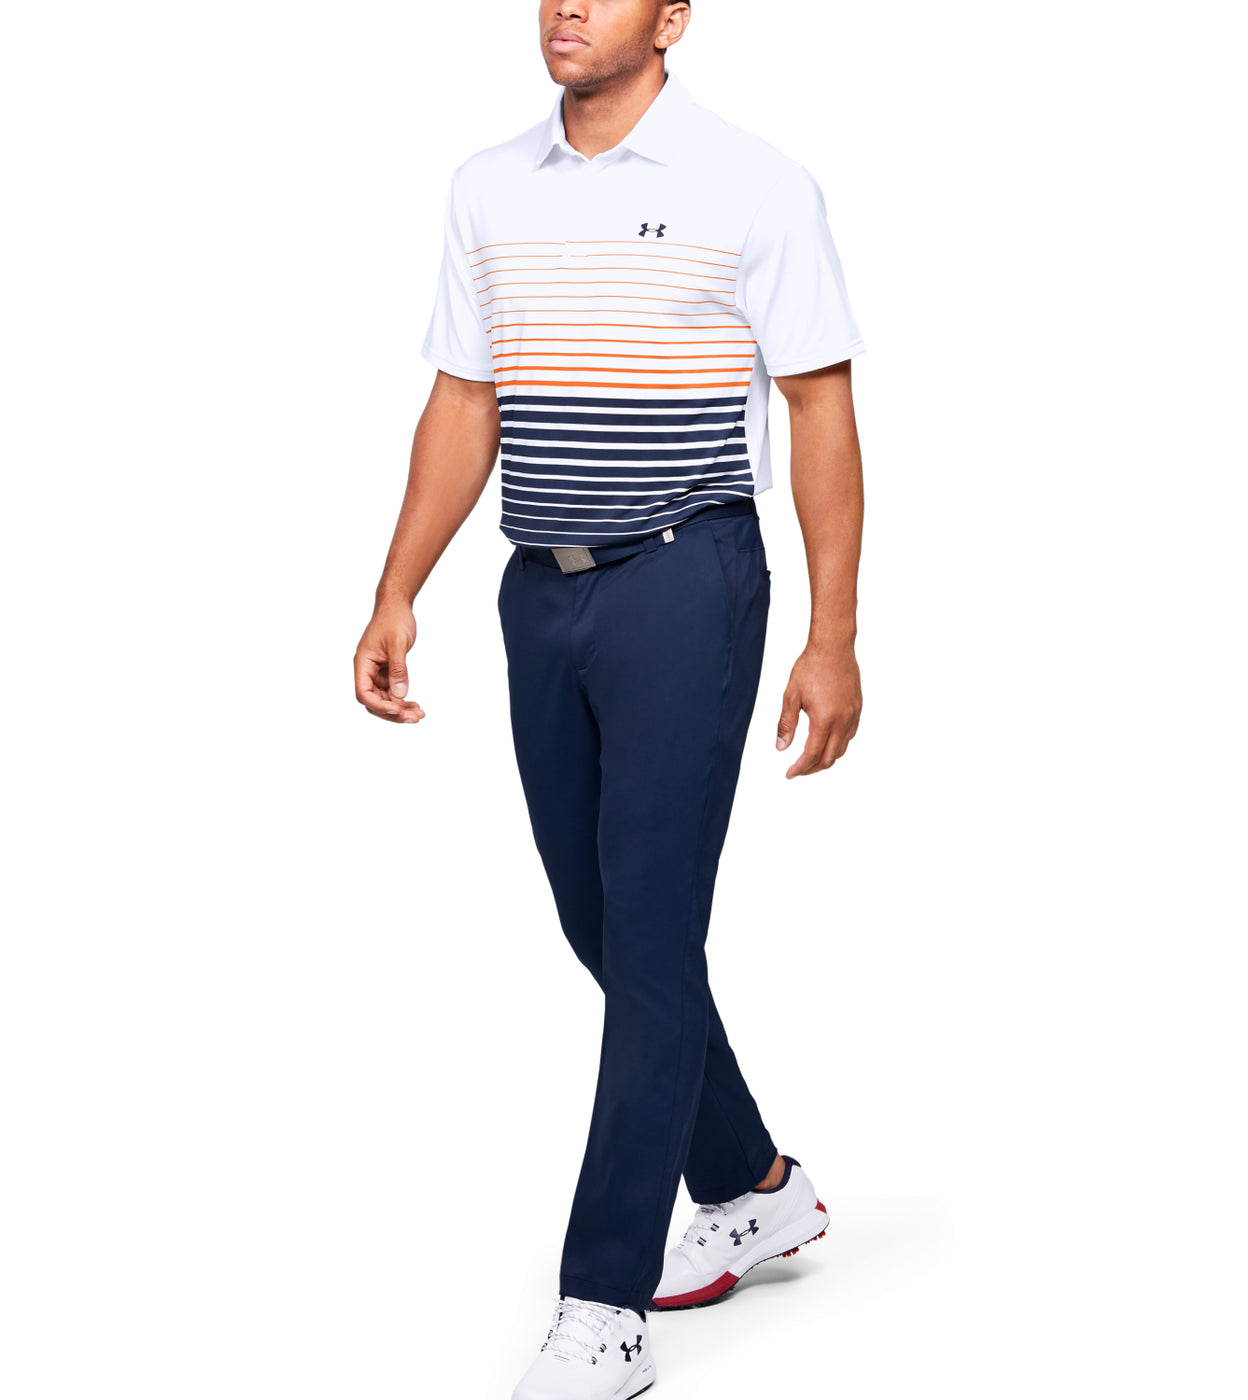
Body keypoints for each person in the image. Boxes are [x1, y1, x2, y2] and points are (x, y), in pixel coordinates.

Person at [353, 3, 865, 1395]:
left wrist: (832, 636)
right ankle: (755, 1185)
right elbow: (466, 399)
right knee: (602, 920)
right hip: (541, 587)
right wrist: (398, 589)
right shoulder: (486, 186)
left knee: (647, 936)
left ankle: (604, 1302)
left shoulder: (755, 183)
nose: (567, 5)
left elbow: (819, 406)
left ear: (673, 17)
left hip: (686, 577)